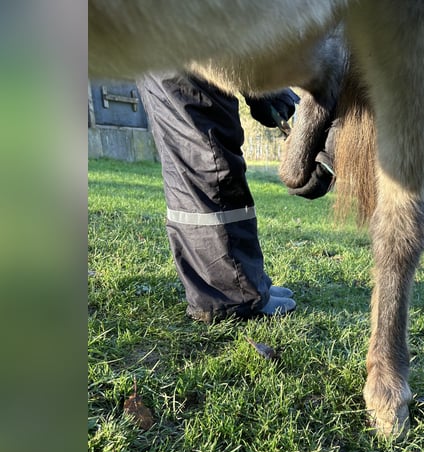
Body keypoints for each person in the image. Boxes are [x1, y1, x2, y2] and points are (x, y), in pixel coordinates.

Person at [137, 72, 335, 322]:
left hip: (185, 52)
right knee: (211, 163)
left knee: (211, 158)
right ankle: (232, 298)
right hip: (184, 51)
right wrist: (264, 86)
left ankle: (247, 284)